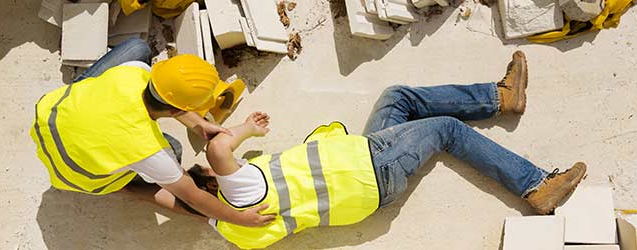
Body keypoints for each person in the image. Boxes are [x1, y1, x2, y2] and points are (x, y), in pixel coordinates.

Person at [194, 51, 587, 248]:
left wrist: (188, 199)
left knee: (396, 97)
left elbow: (183, 200)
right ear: (214, 182)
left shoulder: (234, 230)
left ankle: (502, 97)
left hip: (364, 168)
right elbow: (219, 149)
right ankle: (535, 186)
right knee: (447, 130)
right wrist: (245, 127)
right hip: (371, 169)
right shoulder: (241, 190)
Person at [30, 38, 274, 227]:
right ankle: (121, 186)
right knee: (174, 152)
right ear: (178, 109)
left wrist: (200, 125)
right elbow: (194, 198)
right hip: (75, 174)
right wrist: (241, 219)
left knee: (137, 47)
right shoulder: (151, 151)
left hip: (50, 117)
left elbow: (166, 99)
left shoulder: (133, 72)